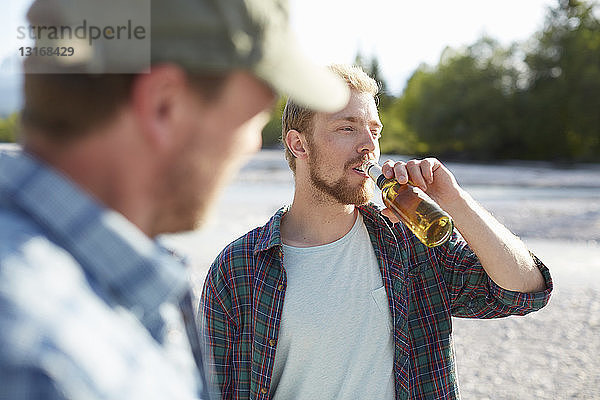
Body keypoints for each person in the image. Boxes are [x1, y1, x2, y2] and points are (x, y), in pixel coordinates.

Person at [0, 0, 350, 398]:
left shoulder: (99, 301)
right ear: (163, 105)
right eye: (253, 117)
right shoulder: (44, 365)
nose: (252, 145)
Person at [200, 64, 553, 400]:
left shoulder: (411, 242)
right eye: (347, 128)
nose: (369, 144)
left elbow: (524, 291)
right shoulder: (239, 269)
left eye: (374, 130)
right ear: (299, 144)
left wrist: (454, 200)